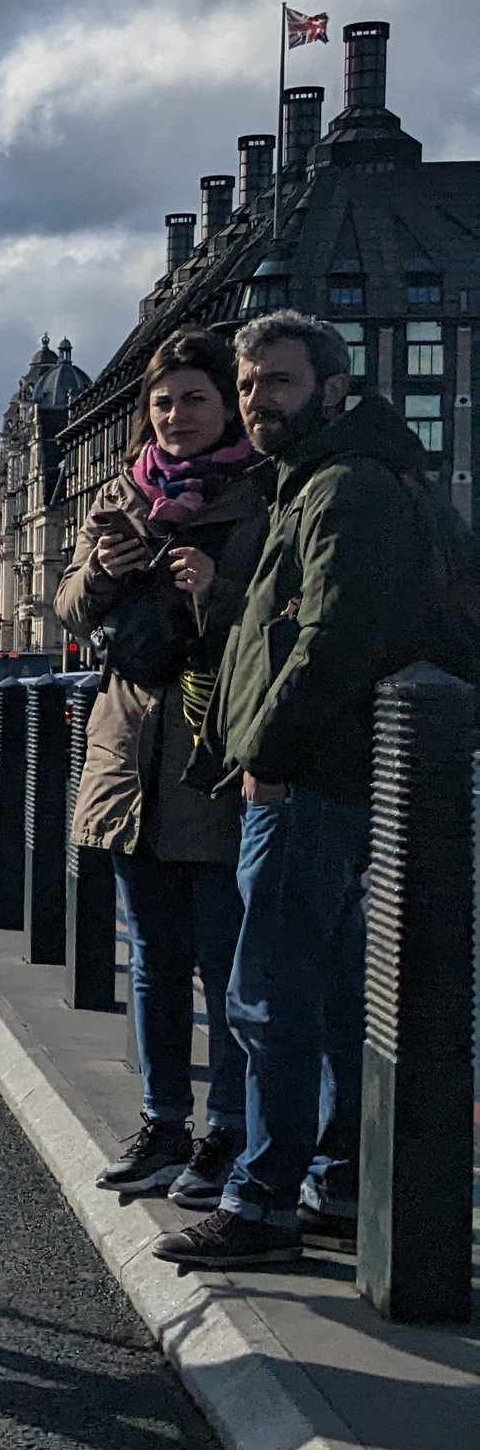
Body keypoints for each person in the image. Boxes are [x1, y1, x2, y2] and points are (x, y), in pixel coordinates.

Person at [155, 313, 438, 1271]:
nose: (255, 400)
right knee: (322, 996)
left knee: (269, 994)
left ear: (330, 385)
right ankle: (330, 1177)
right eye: (247, 385)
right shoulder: (315, 480)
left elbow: (335, 637)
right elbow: (277, 631)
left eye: (275, 381)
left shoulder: (343, 488)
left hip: (310, 779)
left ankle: (263, 1198)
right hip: (322, 775)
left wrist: (265, 750)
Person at [56, 329, 269, 1208]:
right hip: (127, 753)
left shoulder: (259, 490)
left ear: (225, 405)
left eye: (193, 400)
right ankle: (162, 1122)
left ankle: (226, 1131)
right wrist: (105, 571)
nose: (175, 417)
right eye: (162, 402)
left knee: (224, 959)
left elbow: (274, 611)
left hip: (211, 751)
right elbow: (66, 602)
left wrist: (210, 581)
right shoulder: (120, 494)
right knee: (150, 952)